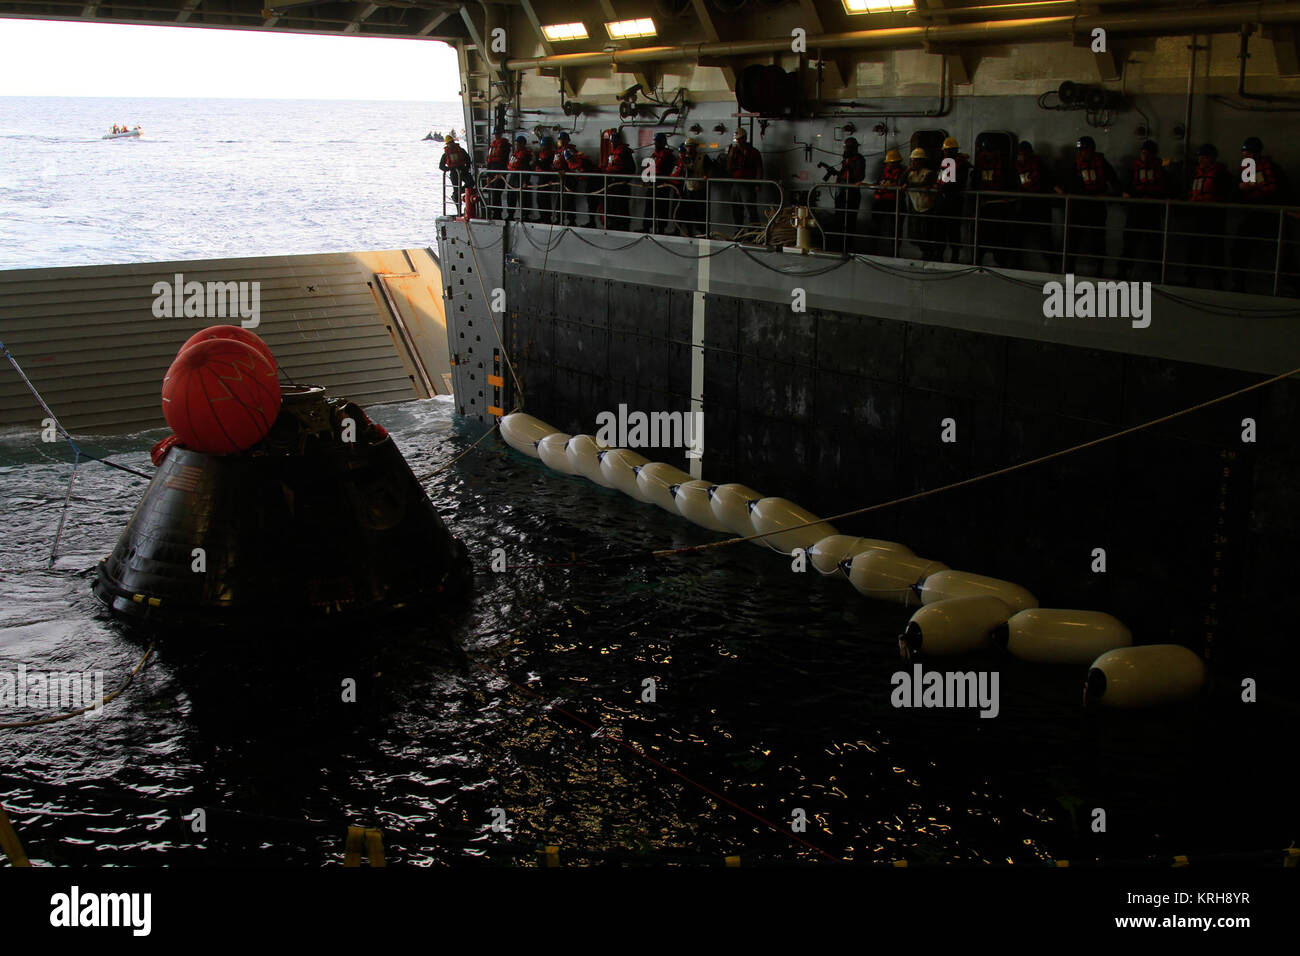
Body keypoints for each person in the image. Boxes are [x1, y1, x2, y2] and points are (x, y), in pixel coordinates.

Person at [1056, 135, 1119, 275]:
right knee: (1073, 239)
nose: (1081, 153)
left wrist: (1112, 194)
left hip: (1096, 208)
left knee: (1098, 239)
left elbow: (1114, 182)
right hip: (1078, 208)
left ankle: (1099, 270)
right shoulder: (1074, 166)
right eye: (1079, 150)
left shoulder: (1102, 164)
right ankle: (1069, 270)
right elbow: (1063, 183)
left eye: (1084, 150)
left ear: (1091, 150)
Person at [1231, 136, 1284, 292]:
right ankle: (1238, 282)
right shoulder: (1242, 171)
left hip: (1271, 214)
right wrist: (1240, 189)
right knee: (1240, 248)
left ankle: (1289, 283)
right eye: (1246, 153)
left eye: (1250, 153)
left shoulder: (1272, 169)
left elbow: (1281, 189)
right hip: (1252, 214)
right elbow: (1233, 193)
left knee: (1281, 249)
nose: (1248, 156)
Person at [1180, 143, 1231, 288]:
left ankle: (1217, 281)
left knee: (1214, 249)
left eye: (1205, 157)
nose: (1201, 160)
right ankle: (1191, 278)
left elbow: (1226, 193)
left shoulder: (1221, 174)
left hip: (1214, 216)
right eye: (1200, 157)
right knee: (1194, 248)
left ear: (1213, 158)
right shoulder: (1197, 174)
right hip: (1198, 215)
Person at [1119, 140, 1168, 280]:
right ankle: (1123, 270)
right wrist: (1125, 193)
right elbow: (1124, 185)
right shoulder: (1133, 170)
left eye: (1148, 153)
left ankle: (1156, 274)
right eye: (1143, 152)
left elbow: (1167, 187)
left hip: (1151, 210)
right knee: (1129, 241)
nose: (1145, 155)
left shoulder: (1161, 171)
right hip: (1136, 209)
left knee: (1153, 243)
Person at [971, 133, 1018, 267]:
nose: (987, 154)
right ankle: (977, 258)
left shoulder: (1005, 166)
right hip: (984, 205)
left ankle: (1001, 260)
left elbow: (1009, 184)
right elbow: (975, 182)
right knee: (980, 234)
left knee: (1000, 235)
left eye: (989, 151)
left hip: (999, 206)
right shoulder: (979, 165)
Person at [1015, 141, 1055, 269]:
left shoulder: (1040, 165)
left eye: (1025, 154)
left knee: (1045, 239)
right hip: (1025, 205)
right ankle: (1015, 263)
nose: (1023, 157)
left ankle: (1051, 266)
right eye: (1020, 154)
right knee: (1018, 236)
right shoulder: (1015, 167)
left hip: (1040, 206)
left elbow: (1049, 181)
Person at [935, 136, 972, 263]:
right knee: (941, 229)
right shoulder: (947, 163)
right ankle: (940, 253)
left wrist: (942, 189)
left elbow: (952, 184)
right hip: (943, 201)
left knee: (952, 230)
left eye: (948, 150)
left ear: (954, 151)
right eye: (945, 151)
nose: (946, 153)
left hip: (953, 201)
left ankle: (954, 255)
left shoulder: (959, 164)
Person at [828, 137, 866, 253]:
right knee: (839, 218)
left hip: (852, 193)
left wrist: (851, 165)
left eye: (849, 148)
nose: (847, 150)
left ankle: (847, 246)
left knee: (849, 220)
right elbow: (842, 174)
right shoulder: (846, 160)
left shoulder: (859, 160)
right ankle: (838, 245)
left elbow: (859, 176)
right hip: (841, 193)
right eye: (846, 147)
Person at [904, 147, 940, 261]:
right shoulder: (910, 173)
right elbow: (900, 182)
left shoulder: (929, 173)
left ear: (922, 161)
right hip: (916, 207)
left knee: (926, 232)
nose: (914, 163)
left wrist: (909, 185)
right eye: (913, 160)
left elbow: (925, 184)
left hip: (927, 207)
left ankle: (929, 253)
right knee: (917, 233)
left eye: (916, 160)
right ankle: (924, 252)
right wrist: (907, 171)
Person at [725, 128, 764, 235]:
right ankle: (738, 231)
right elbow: (728, 169)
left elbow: (759, 168)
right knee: (736, 209)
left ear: (744, 139)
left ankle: (754, 232)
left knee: (750, 209)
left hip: (748, 184)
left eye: (739, 140)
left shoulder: (754, 152)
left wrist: (757, 183)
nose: (737, 142)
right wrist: (730, 157)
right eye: (736, 140)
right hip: (736, 183)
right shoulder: (734, 153)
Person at [869, 149, 906, 256]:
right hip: (882, 202)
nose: (889, 164)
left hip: (896, 203)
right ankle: (874, 248)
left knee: (895, 230)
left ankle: (895, 251)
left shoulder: (903, 173)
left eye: (891, 162)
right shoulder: (883, 173)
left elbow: (902, 183)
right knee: (876, 226)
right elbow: (877, 184)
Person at [672, 137, 711, 237]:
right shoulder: (684, 158)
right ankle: (690, 233)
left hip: (700, 189)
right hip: (689, 188)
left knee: (701, 213)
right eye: (687, 147)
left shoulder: (702, 157)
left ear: (695, 147)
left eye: (690, 147)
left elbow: (711, 168)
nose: (689, 149)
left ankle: (703, 233)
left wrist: (707, 175)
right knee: (688, 212)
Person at [600, 129, 635, 231]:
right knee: (611, 204)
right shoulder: (613, 154)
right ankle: (613, 223)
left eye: (614, 141)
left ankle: (624, 225)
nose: (612, 143)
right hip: (613, 184)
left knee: (622, 205)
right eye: (611, 142)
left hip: (621, 184)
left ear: (619, 141)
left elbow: (631, 168)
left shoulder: (624, 152)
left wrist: (625, 180)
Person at [647, 132, 677, 234]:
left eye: (658, 142)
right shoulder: (654, 155)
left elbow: (667, 169)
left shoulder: (668, 155)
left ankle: (661, 229)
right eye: (655, 142)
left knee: (662, 207)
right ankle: (647, 226)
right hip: (652, 184)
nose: (656, 144)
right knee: (649, 206)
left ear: (663, 142)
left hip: (662, 184)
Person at [563, 143, 599, 227]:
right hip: (589, 182)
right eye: (568, 160)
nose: (570, 161)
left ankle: (602, 222)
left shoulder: (584, 161)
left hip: (596, 181)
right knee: (590, 202)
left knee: (596, 202)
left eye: (570, 159)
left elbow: (590, 172)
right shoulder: (572, 164)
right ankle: (592, 222)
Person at [438, 134, 471, 215]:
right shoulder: (447, 154)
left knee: (470, 183)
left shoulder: (460, 150)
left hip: (462, 171)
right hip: (455, 173)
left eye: (451, 142)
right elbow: (441, 166)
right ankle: (458, 210)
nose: (451, 144)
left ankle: (457, 194)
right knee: (458, 190)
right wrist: (450, 169)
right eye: (449, 143)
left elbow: (468, 159)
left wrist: (466, 168)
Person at [483, 126, 510, 220]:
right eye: (496, 134)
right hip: (493, 172)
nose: (497, 136)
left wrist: (501, 173)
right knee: (494, 193)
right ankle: (496, 213)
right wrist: (488, 175)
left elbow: (504, 159)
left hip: (500, 173)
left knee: (497, 194)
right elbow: (490, 160)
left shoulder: (504, 145)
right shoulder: (493, 145)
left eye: (498, 134)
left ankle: (498, 213)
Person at [504, 135, 534, 222]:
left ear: (522, 144)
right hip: (513, 177)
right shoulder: (515, 154)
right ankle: (510, 214)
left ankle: (525, 215)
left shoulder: (525, 155)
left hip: (520, 177)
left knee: (523, 198)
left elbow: (526, 168)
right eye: (516, 143)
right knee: (511, 197)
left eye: (518, 143)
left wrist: (525, 181)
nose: (516, 145)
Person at [534, 135, 558, 223]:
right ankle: (542, 216)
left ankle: (547, 217)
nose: (543, 147)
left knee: (545, 199)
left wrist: (536, 161)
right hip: (541, 178)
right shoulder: (542, 154)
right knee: (539, 198)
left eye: (544, 145)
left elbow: (544, 165)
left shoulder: (551, 155)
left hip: (547, 179)